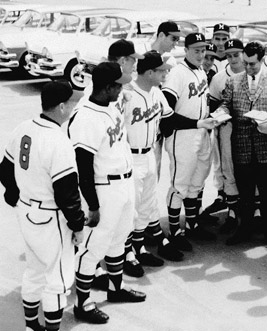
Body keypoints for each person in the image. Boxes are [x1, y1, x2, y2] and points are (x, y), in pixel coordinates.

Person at [0, 81, 85, 331]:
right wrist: (77, 226)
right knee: (57, 280)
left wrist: (14, 195)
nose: (73, 106)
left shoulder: (23, 128)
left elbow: (5, 168)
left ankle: (30, 326)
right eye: (71, 102)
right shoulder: (58, 141)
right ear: (61, 107)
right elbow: (67, 194)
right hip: (50, 217)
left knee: (34, 271)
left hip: (26, 211)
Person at [69, 62, 146, 324]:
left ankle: (115, 289)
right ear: (107, 87)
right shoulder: (86, 116)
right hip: (103, 189)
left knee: (119, 240)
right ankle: (82, 303)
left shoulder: (110, 107)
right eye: (118, 85)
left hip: (123, 184)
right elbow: (83, 165)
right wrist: (92, 204)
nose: (122, 89)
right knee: (92, 248)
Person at [217, 41, 267, 248]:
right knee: (246, 194)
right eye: (246, 63)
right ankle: (245, 228)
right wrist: (221, 114)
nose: (248, 68)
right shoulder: (233, 81)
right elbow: (225, 104)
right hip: (242, 146)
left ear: (261, 59)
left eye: (253, 64)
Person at [123, 51, 183, 275]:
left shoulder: (156, 92)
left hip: (149, 154)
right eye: (161, 70)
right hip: (130, 156)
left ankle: (139, 247)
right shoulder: (126, 95)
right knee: (131, 209)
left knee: (147, 204)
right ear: (149, 72)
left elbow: (170, 119)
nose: (165, 73)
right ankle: (128, 254)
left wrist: (199, 123)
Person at [161, 33, 218, 253]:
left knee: (197, 182)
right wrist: (199, 123)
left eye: (203, 50)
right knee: (180, 185)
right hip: (182, 136)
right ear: (186, 50)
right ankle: (175, 231)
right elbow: (167, 113)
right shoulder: (177, 74)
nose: (201, 54)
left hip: (201, 133)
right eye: (196, 50)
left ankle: (192, 224)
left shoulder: (201, 71)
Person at [207, 38, 245, 233]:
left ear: (243, 53)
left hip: (249, 128)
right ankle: (231, 210)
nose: (232, 59)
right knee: (228, 168)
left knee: (249, 169)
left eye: (236, 54)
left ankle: (252, 212)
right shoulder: (219, 77)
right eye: (229, 55)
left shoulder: (253, 72)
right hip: (227, 127)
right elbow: (213, 105)